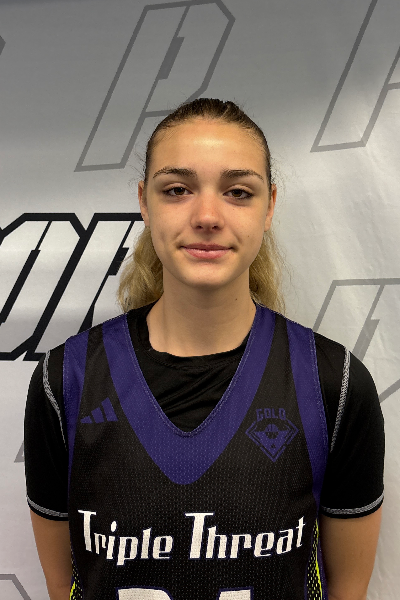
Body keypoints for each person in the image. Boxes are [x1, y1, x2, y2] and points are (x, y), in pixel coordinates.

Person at [24, 98, 384, 600]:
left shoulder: (335, 384)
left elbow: (349, 588)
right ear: (144, 202)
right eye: (177, 189)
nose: (208, 216)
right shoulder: (66, 381)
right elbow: (63, 585)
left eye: (238, 192)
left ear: (269, 207)